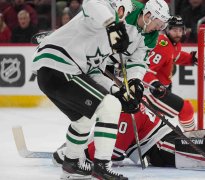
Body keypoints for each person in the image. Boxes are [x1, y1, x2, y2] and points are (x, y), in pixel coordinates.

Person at [32, 0, 133, 179]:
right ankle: (101, 166)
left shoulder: (109, 40)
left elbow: (93, 71)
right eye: (122, 11)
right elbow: (91, 3)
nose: (123, 16)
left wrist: (116, 90)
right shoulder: (100, 15)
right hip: (59, 68)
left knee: (85, 117)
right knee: (110, 106)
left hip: (55, 74)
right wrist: (111, 25)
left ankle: (72, 163)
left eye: (126, 15)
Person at [53, 98, 205, 173]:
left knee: (197, 148)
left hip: (156, 148)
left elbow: (113, 152)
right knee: (198, 139)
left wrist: (75, 153)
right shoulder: (125, 104)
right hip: (167, 132)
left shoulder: (123, 113)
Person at [143, 16, 197, 132]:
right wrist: (155, 85)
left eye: (180, 30)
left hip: (160, 90)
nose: (178, 33)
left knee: (152, 125)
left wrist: (191, 58)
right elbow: (145, 71)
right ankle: (193, 137)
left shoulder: (175, 45)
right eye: (174, 30)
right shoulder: (162, 45)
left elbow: (175, 56)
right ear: (167, 30)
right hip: (151, 92)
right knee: (186, 109)